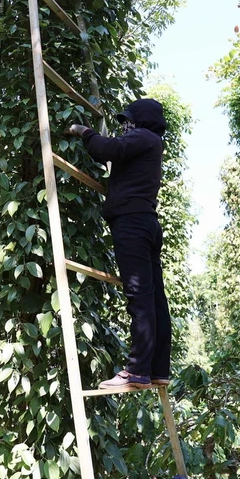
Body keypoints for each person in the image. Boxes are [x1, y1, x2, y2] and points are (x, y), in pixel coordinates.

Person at [66, 98, 171, 389]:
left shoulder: (143, 136)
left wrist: (86, 132)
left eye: (129, 121)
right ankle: (158, 368)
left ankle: (137, 370)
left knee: (139, 295)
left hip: (132, 222)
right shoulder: (151, 143)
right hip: (146, 221)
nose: (125, 127)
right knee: (154, 297)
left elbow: (107, 149)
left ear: (142, 120)